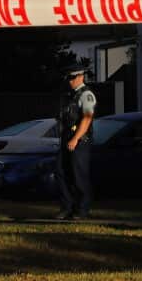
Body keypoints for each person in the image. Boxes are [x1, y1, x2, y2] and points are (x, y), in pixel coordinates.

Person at [55, 64, 95, 220]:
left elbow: (87, 118)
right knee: (60, 171)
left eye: (72, 77)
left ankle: (82, 209)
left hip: (79, 140)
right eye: (68, 78)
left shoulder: (87, 95)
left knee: (79, 175)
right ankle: (67, 207)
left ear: (81, 76)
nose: (69, 81)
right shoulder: (70, 95)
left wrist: (75, 138)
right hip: (67, 138)